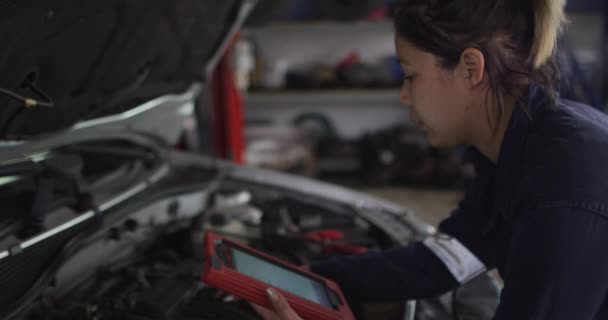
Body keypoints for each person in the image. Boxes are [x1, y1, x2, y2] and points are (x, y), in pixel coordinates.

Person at [253, 0, 608, 319]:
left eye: (411, 75)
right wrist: (311, 278)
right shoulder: (518, 147)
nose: (405, 96)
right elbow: (449, 260)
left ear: (471, 68)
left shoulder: (565, 190)